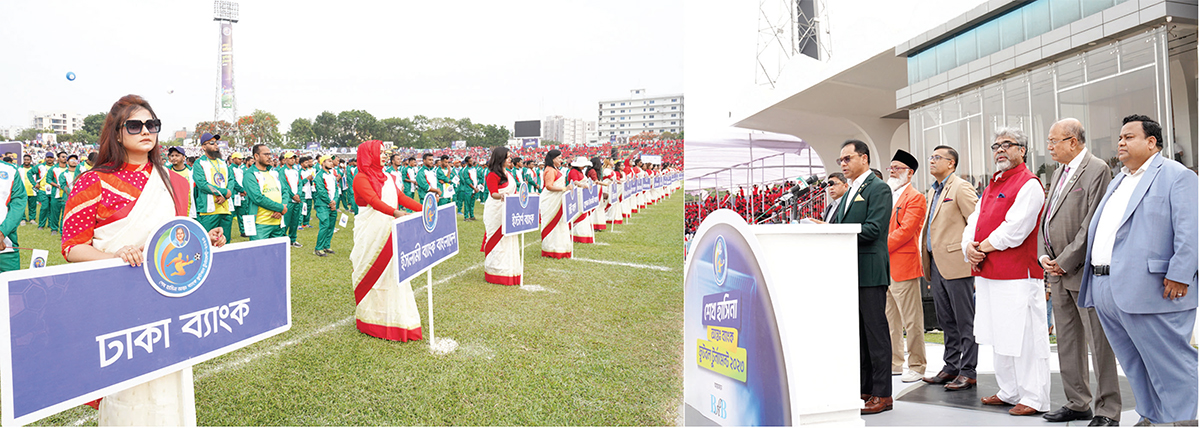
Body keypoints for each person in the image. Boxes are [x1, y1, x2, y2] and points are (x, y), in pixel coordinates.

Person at [61, 94, 224, 426]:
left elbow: (178, 238)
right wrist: (115, 257)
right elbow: (72, 247)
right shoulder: (94, 181)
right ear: (117, 133)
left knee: (170, 383)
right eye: (134, 125)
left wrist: (203, 242)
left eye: (152, 124)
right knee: (127, 393)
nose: (145, 131)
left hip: (167, 302)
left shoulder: (177, 182)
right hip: (117, 303)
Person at [1078, 114, 1197, 426]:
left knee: (1170, 360)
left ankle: (1181, 419)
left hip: (1155, 287)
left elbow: (1191, 230)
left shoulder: (1176, 175)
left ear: (1151, 142)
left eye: (1129, 137)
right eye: (1120, 137)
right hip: (1106, 285)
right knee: (1134, 361)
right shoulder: (1119, 180)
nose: (1120, 142)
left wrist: (1181, 273)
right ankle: (1152, 415)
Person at [1037, 119, 1120, 426]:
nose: (1049, 146)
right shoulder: (1059, 171)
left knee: (1099, 342)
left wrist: (1066, 259)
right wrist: (1044, 255)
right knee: (1067, 340)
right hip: (1056, 270)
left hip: (1083, 271)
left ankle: (1108, 409)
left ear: (1073, 141)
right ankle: (1077, 402)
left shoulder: (1097, 169)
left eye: (1054, 140)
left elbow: (1092, 224)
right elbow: (1047, 217)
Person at [965, 127, 1050, 416]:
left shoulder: (1029, 184)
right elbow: (972, 222)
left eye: (1007, 144)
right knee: (999, 334)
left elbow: (1015, 229)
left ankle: (1034, 396)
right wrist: (968, 247)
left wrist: (981, 248)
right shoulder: (991, 186)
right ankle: (1010, 390)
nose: (1000, 149)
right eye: (996, 146)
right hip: (989, 273)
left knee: (1025, 336)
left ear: (1022, 150)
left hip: (1018, 275)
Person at [810, 140, 893, 414]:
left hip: (869, 270)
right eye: (840, 160)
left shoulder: (878, 188)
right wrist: (825, 228)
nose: (843, 164)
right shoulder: (848, 193)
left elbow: (873, 229)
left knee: (876, 333)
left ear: (864, 159)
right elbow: (840, 227)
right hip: (849, 271)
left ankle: (883, 393)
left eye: (847, 158)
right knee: (859, 335)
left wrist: (835, 230)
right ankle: (865, 388)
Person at [919, 145, 981, 391]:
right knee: (946, 320)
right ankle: (950, 366)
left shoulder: (961, 187)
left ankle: (968, 370)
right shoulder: (934, 191)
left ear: (951, 164)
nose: (932, 161)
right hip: (936, 265)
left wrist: (974, 255)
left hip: (957, 264)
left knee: (965, 321)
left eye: (937, 158)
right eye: (931, 157)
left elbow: (976, 222)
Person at [350, 140, 424, 341]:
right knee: (371, 270)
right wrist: (395, 213)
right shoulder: (361, 178)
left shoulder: (389, 177)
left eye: (384, 152)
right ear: (368, 155)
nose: (384, 155)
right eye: (379, 152)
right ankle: (370, 318)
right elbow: (373, 201)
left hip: (391, 229)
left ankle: (392, 318)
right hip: (372, 232)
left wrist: (424, 208)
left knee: (391, 273)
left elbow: (401, 197)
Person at [884, 149, 927, 383]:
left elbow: (906, 232)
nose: (892, 171)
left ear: (909, 173)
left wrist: (878, 246)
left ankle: (918, 365)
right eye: (891, 167)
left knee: (912, 320)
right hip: (885, 266)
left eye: (898, 168)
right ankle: (895, 362)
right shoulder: (885, 194)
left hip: (904, 264)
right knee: (890, 320)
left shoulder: (916, 197)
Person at [481, 148, 522, 285]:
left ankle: (509, 269)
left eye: (510, 157)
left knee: (508, 238)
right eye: (507, 157)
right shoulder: (492, 174)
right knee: (497, 239)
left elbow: (514, 192)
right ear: (500, 159)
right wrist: (503, 196)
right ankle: (495, 271)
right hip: (496, 210)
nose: (510, 159)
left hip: (509, 209)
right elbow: (493, 193)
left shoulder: (509, 173)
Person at [193, 133, 234, 241]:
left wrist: (226, 195)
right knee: (208, 242)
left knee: (225, 243)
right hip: (209, 211)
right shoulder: (199, 163)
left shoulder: (223, 162)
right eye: (212, 143)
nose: (215, 145)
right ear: (203, 147)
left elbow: (231, 179)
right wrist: (223, 192)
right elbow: (202, 184)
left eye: (216, 143)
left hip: (225, 210)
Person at [242, 144, 288, 240]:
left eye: (270, 154)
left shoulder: (274, 173)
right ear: (256, 156)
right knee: (259, 254)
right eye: (266, 154)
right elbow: (257, 198)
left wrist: (282, 207)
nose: (269, 157)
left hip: (277, 221)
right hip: (260, 223)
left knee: (277, 254)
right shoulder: (249, 175)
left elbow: (285, 191)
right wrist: (280, 208)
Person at [540, 149, 573, 258]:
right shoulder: (550, 170)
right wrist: (564, 188)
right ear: (553, 159)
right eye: (559, 158)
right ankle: (551, 248)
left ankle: (559, 247)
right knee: (552, 223)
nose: (561, 160)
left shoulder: (555, 169)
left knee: (559, 224)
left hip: (557, 199)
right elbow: (549, 186)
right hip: (551, 200)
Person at [0, 153, 26, 272]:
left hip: (5, 245)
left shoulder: (10, 170)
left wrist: (2, 233)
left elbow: (18, 203)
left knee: (10, 289)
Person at [313, 155, 340, 256]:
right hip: (323, 205)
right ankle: (318, 248)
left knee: (331, 226)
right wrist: (330, 202)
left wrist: (335, 201)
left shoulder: (332, 175)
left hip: (332, 204)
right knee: (325, 225)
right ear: (323, 163)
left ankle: (326, 245)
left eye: (331, 161)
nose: (331, 163)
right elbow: (321, 191)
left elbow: (337, 189)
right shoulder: (319, 176)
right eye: (328, 161)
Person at [277, 152, 303, 247]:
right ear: (286, 159)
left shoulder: (296, 170)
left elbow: (299, 183)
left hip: (297, 200)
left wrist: (298, 194)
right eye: (290, 158)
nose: (292, 159)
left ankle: (293, 239)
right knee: (286, 221)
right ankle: (283, 239)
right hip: (288, 200)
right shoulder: (282, 171)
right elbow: (284, 185)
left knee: (295, 221)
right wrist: (293, 196)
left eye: (294, 158)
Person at [568, 156, 595, 244]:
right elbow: (574, 181)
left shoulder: (580, 172)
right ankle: (576, 234)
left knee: (584, 214)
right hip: (576, 194)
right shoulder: (573, 171)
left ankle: (583, 235)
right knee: (578, 213)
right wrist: (582, 185)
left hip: (582, 194)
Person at [167, 147, 195, 218]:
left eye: (177, 155)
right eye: (172, 156)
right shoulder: (166, 172)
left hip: (188, 210)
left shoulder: (191, 173)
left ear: (183, 158)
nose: (174, 158)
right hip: (171, 210)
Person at [459, 156, 479, 221]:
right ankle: (466, 217)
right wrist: (473, 187)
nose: (472, 162)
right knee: (467, 203)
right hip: (468, 189)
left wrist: (476, 187)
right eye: (470, 161)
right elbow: (467, 180)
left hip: (474, 188)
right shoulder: (465, 170)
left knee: (472, 203)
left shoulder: (473, 168)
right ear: (467, 162)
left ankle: (472, 216)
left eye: (472, 160)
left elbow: (475, 179)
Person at [18, 154, 35, 225]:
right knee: (22, 206)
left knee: (33, 206)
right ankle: (22, 219)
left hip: (33, 190)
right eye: (25, 159)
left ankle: (32, 219)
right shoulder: (19, 169)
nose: (26, 161)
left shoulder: (34, 169)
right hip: (22, 190)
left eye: (28, 160)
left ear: (31, 161)